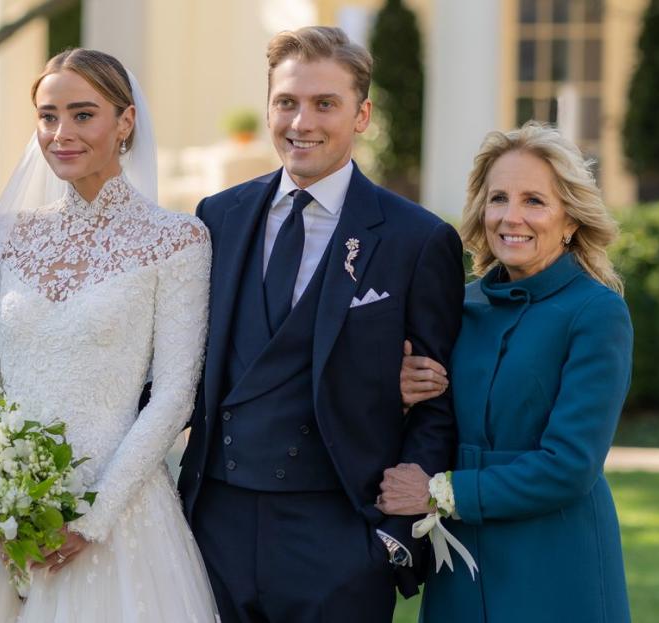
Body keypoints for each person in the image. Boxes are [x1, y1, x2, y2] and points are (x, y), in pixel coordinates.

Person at [0, 48, 218, 622]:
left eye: (83, 114)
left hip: (120, 519)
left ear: (126, 122)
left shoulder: (179, 241)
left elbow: (172, 396)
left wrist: (92, 518)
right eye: (47, 116)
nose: (61, 133)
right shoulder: (7, 236)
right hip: (1, 522)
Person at [176, 26, 464, 623]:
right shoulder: (217, 217)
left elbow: (438, 408)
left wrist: (391, 539)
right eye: (287, 102)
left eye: (324, 104)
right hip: (212, 529)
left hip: (337, 535)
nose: (301, 121)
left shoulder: (417, 239)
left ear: (361, 115)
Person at [381, 122, 633, 622]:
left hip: (554, 562)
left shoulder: (596, 313)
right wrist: (405, 394)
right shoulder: (460, 306)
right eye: (499, 198)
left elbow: (570, 464)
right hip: (461, 567)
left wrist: (438, 492)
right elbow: (436, 423)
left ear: (569, 220)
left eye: (534, 201)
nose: (511, 217)